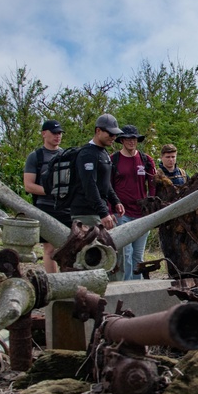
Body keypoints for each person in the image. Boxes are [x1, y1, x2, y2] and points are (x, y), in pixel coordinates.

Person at [24, 119, 73, 272]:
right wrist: (52, 191)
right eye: (54, 133)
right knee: (49, 248)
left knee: (70, 247)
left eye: (60, 133)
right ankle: (53, 283)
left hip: (66, 208)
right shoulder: (35, 157)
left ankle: (68, 281)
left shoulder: (67, 155)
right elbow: (29, 185)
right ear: (44, 134)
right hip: (45, 207)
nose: (57, 136)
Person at [111, 124, 157, 280]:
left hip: (141, 214)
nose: (132, 142)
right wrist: (110, 210)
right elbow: (108, 186)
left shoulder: (146, 160)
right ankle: (127, 288)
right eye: (128, 139)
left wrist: (152, 208)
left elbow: (152, 185)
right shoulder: (114, 159)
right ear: (122, 140)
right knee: (126, 253)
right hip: (121, 213)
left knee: (138, 255)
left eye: (134, 139)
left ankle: (139, 288)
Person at [69, 113, 124, 231]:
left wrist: (115, 201)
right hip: (86, 213)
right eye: (110, 133)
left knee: (113, 247)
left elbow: (105, 182)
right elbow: (89, 185)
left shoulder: (103, 153)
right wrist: (103, 213)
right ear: (98, 131)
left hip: (98, 211)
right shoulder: (87, 154)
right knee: (95, 248)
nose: (113, 137)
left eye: (115, 134)